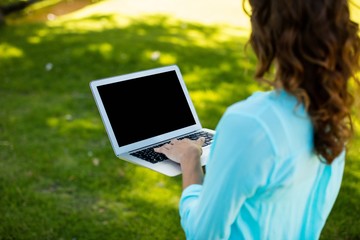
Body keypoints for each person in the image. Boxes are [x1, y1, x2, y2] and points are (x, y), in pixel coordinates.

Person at [154, 0, 360, 239]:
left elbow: (203, 234)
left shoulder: (251, 123)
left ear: (265, 31)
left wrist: (190, 159)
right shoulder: (332, 116)